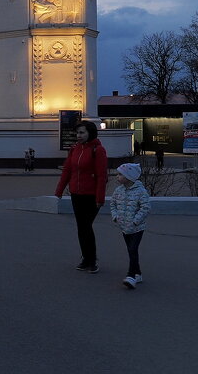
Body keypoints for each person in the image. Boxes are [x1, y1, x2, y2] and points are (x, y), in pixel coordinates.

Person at [54, 120, 108, 273]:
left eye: (82, 132)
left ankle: (91, 260)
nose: (79, 136)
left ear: (90, 133)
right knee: (81, 227)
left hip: (91, 196)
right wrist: (59, 191)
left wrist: (100, 198)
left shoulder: (98, 150)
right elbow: (67, 171)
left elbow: (101, 176)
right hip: (76, 194)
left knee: (86, 226)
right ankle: (86, 258)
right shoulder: (74, 149)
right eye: (77, 133)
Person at [109, 162, 151, 290]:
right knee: (131, 250)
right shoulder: (118, 191)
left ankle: (131, 276)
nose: (117, 176)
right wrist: (115, 216)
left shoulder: (141, 192)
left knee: (133, 249)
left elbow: (146, 208)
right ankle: (138, 273)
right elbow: (113, 204)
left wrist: (135, 221)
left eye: (120, 174)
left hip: (137, 228)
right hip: (124, 227)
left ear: (129, 176)